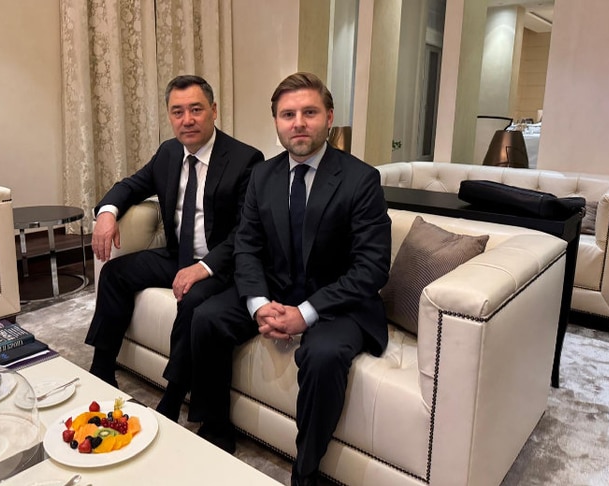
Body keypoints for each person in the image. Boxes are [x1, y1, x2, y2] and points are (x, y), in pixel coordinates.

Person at [185, 72, 392, 486]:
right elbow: (247, 247)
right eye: (287, 115)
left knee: (323, 356)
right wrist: (258, 304)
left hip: (338, 303)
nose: (298, 123)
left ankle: (306, 470)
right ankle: (216, 430)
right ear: (277, 122)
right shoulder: (263, 176)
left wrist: (306, 313)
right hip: (276, 290)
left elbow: (371, 267)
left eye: (309, 113)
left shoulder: (361, 179)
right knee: (206, 317)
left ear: (328, 118)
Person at [85, 75, 264, 401]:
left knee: (192, 299)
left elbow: (244, 231)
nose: (187, 120)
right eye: (178, 112)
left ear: (213, 110)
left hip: (219, 265)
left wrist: (203, 267)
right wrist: (107, 213)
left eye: (196, 109)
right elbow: (131, 185)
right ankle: (102, 368)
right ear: (169, 116)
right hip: (176, 256)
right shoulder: (169, 153)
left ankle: (173, 395)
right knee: (113, 274)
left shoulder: (245, 160)